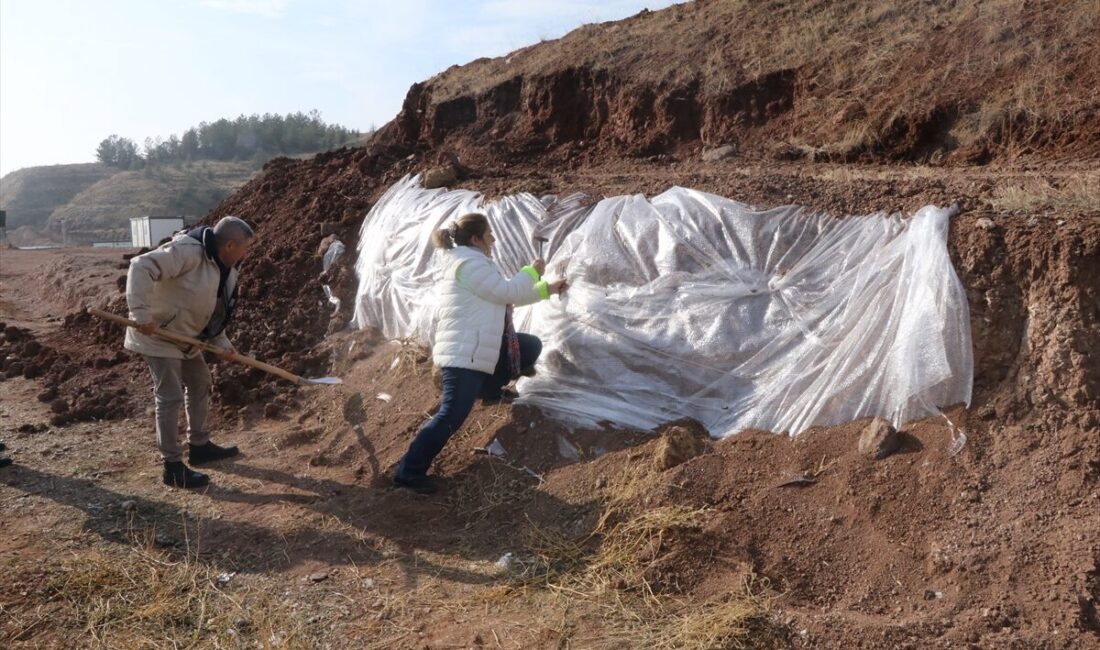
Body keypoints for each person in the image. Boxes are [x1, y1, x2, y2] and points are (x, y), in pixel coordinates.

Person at [394, 213, 567, 494]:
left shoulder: (471, 262)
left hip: (475, 347)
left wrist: (547, 289)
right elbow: (506, 291)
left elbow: (509, 295)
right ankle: (409, 471)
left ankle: (488, 389)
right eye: (489, 235)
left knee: (528, 347)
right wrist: (532, 271)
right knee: (451, 415)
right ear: (475, 239)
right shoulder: (468, 264)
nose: (494, 240)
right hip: (465, 354)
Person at [125, 216, 255, 489]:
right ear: (230, 245)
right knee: (169, 395)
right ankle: (172, 466)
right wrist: (140, 314)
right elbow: (141, 265)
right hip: (158, 334)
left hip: (187, 337)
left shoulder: (228, 271)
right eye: (245, 247)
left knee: (200, 383)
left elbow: (214, 312)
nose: (246, 253)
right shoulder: (187, 251)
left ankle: (199, 446)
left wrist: (222, 344)